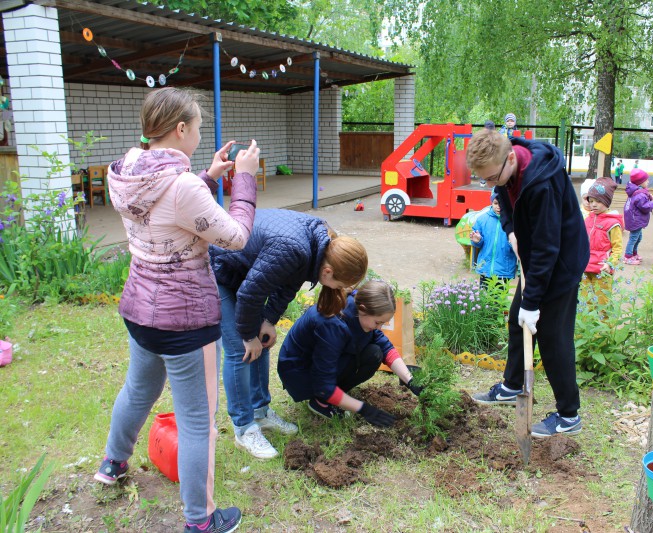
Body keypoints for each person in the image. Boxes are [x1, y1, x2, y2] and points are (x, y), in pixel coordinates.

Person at [96, 87, 259, 533]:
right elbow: (237, 237)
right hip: (184, 320)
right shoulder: (182, 186)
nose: (200, 135)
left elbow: (166, 214)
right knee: (196, 421)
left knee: (136, 391)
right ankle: (201, 521)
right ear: (181, 128)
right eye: (198, 129)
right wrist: (244, 178)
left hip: (139, 310)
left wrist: (207, 176)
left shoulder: (126, 171)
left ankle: (113, 462)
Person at [209, 209, 368, 459]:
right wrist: (248, 335)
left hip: (245, 268)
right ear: (327, 272)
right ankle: (244, 428)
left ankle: (260, 412)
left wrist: (269, 320)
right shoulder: (295, 248)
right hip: (218, 267)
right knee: (241, 349)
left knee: (261, 338)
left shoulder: (316, 245)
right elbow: (249, 294)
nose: (340, 291)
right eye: (340, 285)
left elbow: (290, 282)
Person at [465, 128, 589, 438]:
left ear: (510, 159)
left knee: (551, 336)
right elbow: (502, 199)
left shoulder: (541, 183)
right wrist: (510, 231)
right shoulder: (506, 170)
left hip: (559, 264)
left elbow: (549, 249)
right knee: (515, 321)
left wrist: (533, 303)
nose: (491, 184)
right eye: (485, 179)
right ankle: (512, 385)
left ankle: (568, 414)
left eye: (493, 177)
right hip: (536, 257)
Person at [278, 280, 420, 424]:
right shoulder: (333, 325)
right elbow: (323, 383)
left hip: (319, 362)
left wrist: (410, 380)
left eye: (383, 323)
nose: (379, 328)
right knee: (358, 361)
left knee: (374, 353)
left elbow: (383, 344)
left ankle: (336, 394)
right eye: (378, 322)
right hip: (300, 372)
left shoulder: (358, 306)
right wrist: (364, 409)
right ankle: (321, 402)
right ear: (363, 309)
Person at [582, 177, 624, 306]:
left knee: (602, 303)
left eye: (598, 201)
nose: (593, 204)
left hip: (602, 269)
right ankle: (587, 326)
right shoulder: (588, 219)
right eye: (591, 200)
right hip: (585, 267)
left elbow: (617, 248)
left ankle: (605, 325)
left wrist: (610, 263)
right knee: (584, 301)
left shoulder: (612, 224)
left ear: (606, 202)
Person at [470, 192, 518, 288]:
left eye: (502, 203)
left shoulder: (514, 221)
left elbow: (519, 247)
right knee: (483, 299)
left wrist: (512, 243)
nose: (499, 207)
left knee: (500, 301)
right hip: (485, 268)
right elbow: (477, 243)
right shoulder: (482, 219)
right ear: (491, 203)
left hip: (504, 269)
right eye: (496, 203)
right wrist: (477, 240)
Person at [623, 169, 653, 265]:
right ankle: (628, 256)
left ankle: (634, 253)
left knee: (638, 237)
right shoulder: (640, 194)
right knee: (634, 238)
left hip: (634, 219)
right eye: (646, 180)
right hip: (635, 220)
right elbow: (645, 207)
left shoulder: (637, 192)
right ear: (640, 183)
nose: (648, 182)